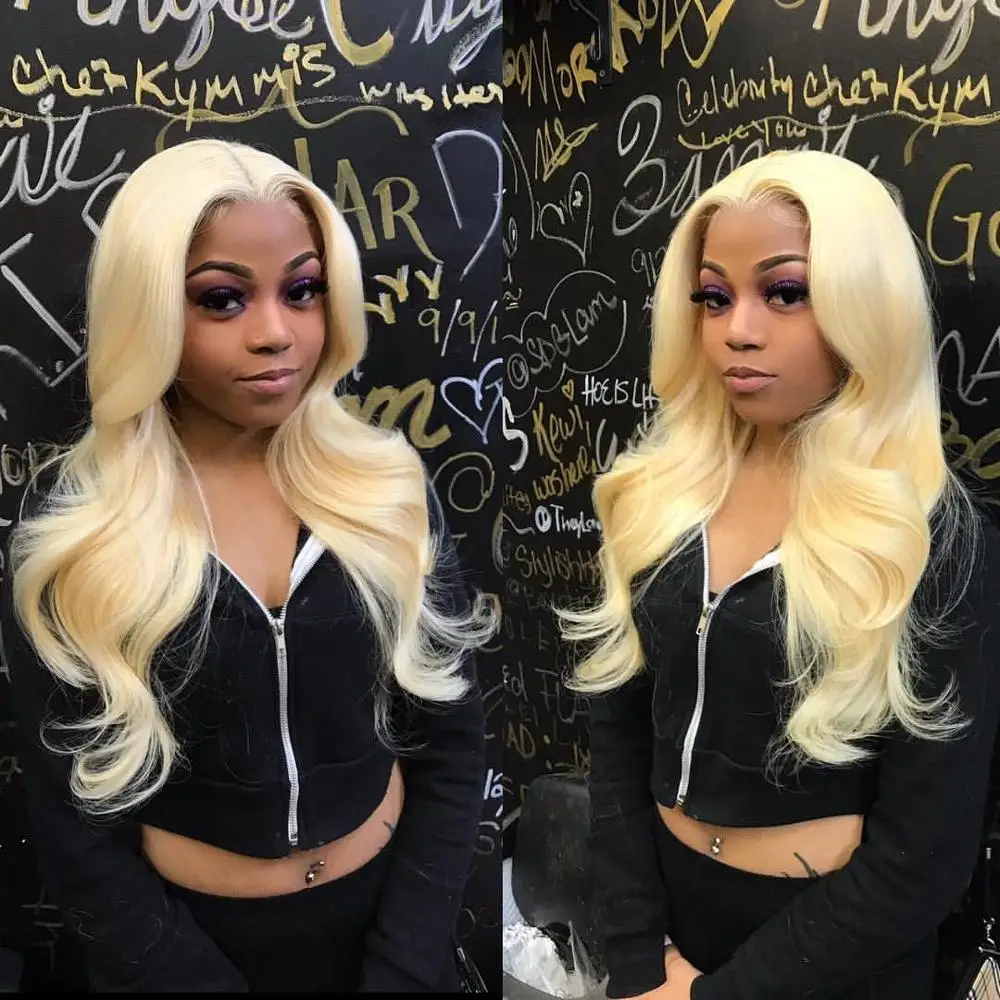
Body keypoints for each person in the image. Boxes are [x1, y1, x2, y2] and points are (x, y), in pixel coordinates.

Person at [1, 138, 496, 993]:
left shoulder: (385, 489)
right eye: (222, 299)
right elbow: (73, 824)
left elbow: (450, 742)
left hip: (388, 934)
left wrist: (406, 964)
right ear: (149, 310)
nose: (275, 334)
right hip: (177, 956)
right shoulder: (76, 534)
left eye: (302, 291)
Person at [558, 149, 1000, 1000]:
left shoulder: (931, 540)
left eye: (785, 292)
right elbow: (617, 735)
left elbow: (925, 857)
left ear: (865, 302)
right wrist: (640, 958)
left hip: (834, 964)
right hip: (666, 933)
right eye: (714, 297)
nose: (739, 330)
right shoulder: (658, 498)